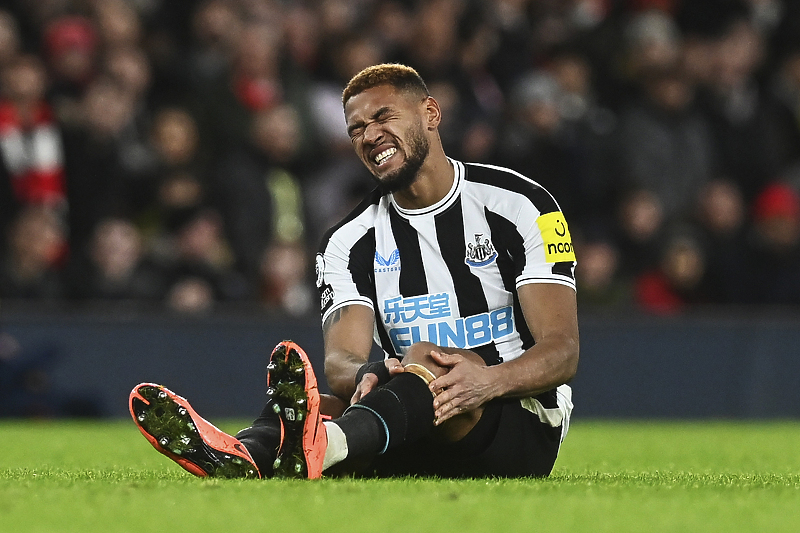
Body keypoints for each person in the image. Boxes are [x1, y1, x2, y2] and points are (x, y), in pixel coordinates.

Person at [130, 63, 579, 479]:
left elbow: (563, 350)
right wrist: (373, 371)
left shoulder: (520, 206)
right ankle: (243, 454)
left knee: (427, 357)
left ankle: (321, 449)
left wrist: (488, 381)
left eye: (384, 117)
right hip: (410, 419)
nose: (370, 136)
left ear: (430, 113)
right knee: (315, 406)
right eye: (357, 129)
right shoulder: (346, 241)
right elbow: (341, 361)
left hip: (517, 420)